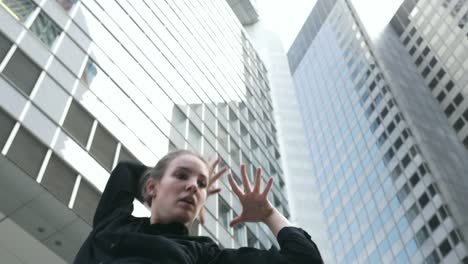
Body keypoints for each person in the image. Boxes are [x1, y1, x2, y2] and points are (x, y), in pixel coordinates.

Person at [74, 149, 323, 263]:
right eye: (182, 176)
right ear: (151, 187)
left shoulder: (204, 255)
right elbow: (126, 170)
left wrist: (269, 214)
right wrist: (163, 180)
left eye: (202, 184)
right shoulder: (113, 222)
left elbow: (305, 261)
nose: (194, 186)